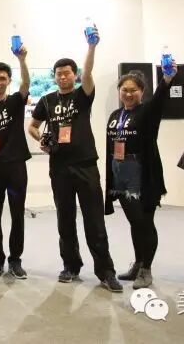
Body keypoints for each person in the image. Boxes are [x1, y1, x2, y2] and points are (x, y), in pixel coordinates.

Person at [28, 26, 122, 292]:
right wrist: (41, 139)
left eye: (67, 73)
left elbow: (89, 73)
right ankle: (70, 266)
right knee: (65, 219)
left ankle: (106, 271)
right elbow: (32, 126)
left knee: (94, 220)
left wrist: (91, 46)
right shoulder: (47, 100)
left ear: (74, 75)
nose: (63, 77)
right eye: (58, 73)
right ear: (54, 77)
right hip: (59, 167)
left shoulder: (83, 95)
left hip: (85, 164)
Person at [104, 66, 175, 289]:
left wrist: (167, 79)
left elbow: (159, 99)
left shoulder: (147, 112)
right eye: (124, 90)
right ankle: (138, 264)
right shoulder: (115, 116)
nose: (128, 94)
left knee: (144, 222)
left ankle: (146, 269)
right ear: (119, 91)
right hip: (120, 174)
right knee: (135, 223)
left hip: (141, 175)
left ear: (142, 92)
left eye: (133, 90)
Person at [0, 47, 31, 279]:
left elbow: (26, 84)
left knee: (17, 215)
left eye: (3, 78)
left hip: (15, 168)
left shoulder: (15, 102)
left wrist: (22, 60)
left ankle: (15, 260)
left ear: (9, 80)